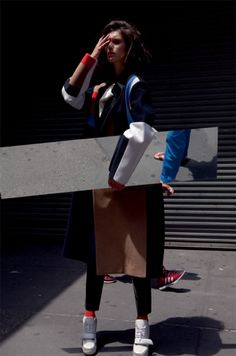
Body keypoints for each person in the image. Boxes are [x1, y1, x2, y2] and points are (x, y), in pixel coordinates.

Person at [61, 20, 177, 356]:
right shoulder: (99, 86)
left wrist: (131, 176)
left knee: (136, 258)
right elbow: (70, 96)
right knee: (98, 259)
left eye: (114, 42)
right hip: (100, 183)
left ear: (128, 48)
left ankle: (143, 326)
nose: (108, 46)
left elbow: (143, 132)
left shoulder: (135, 86)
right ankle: (89, 322)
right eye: (105, 42)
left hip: (128, 183)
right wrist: (90, 58)